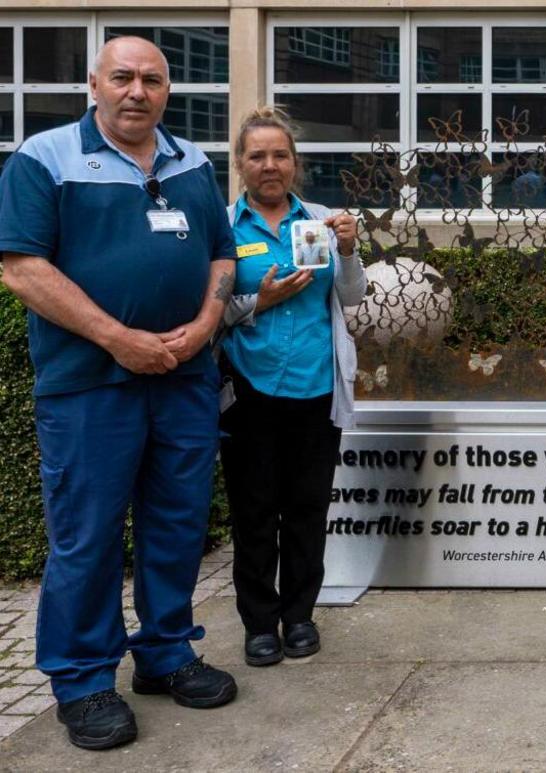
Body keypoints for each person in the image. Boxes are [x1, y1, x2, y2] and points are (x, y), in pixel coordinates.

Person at [0, 36, 238, 750]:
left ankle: (165, 654)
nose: (139, 91)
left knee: (176, 526)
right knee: (89, 535)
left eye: (153, 80)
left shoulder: (190, 161)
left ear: (169, 91)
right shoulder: (44, 159)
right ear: (94, 84)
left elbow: (222, 253)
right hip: (91, 386)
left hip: (185, 380)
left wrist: (201, 326)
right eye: (124, 78)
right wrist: (116, 337)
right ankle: (83, 679)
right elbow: (22, 268)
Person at [219, 107, 365, 667]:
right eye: (257, 156)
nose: (270, 165)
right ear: (240, 165)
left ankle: (299, 616)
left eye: (280, 155)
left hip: (314, 389)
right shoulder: (224, 227)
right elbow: (210, 311)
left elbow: (351, 299)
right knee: (254, 512)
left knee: (306, 509)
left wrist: (350, 251)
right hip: (249, 393)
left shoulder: (322, 220)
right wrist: (261, 301)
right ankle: (260, 623)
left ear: (295, 163)